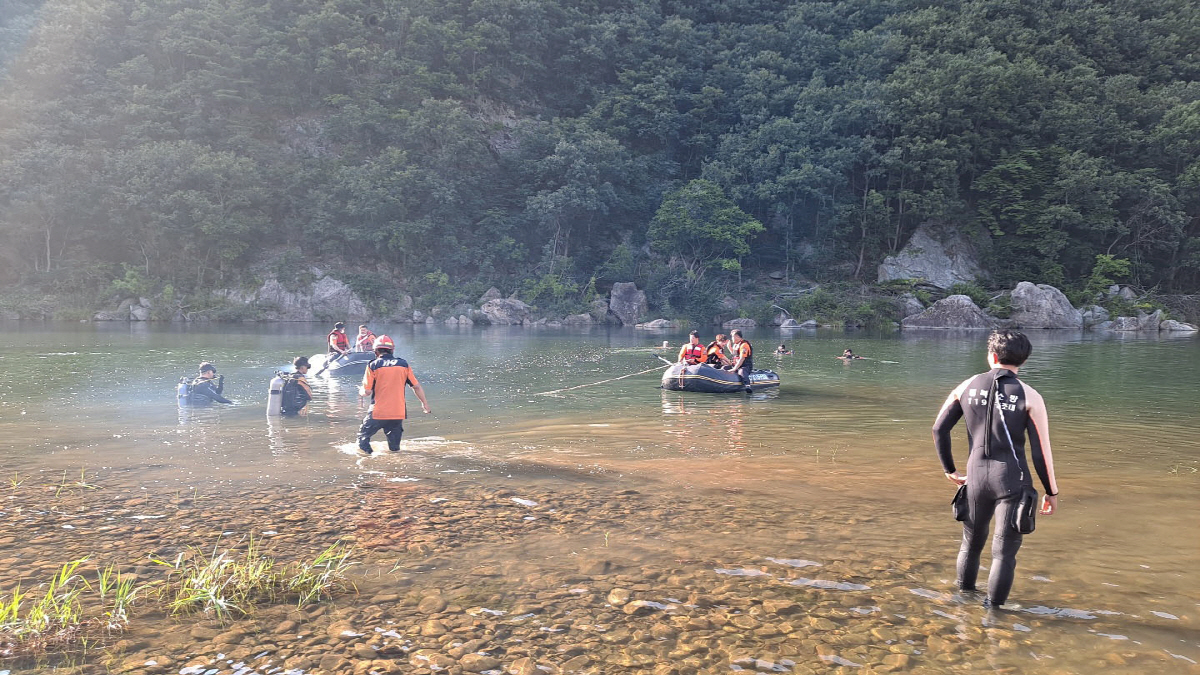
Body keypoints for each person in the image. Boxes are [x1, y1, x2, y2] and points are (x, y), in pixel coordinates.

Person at [932, 330, 1060, 609]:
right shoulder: (1030, 395)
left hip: (975, 477)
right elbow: (1041, 451)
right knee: (1003, 554)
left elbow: (939, 429)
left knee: (970, 544)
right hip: (1013, 481)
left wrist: (949, 470)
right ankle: (994, 618)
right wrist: (1052, 491)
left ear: (991, 356)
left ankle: (962, 605)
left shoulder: (965, 386)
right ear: (1023, 361)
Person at [357, 335, 431, 455]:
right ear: (392, 350)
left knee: (363, 438)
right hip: (398, 412)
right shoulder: (403, 364)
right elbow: (416, 386)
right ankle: (396, 467)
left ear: (375, 351)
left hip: (378, 412)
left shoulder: (373, 365)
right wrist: (425, 404)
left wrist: (360, 391)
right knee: (395, 449)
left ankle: (370, 460)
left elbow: (367, 392)